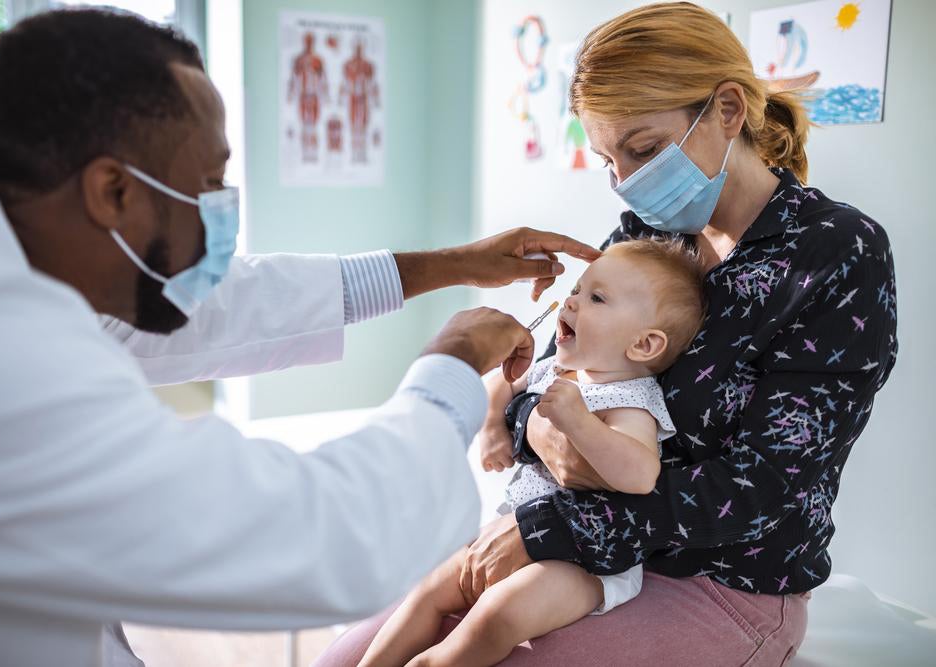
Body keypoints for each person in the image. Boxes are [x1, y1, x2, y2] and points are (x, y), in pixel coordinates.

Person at [0, 9, 602, 667]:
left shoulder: (5, 265)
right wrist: (452, 365)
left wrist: (456, 265)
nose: (221, 214)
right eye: (208, 184)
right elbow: (327, 535)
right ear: (112, 191)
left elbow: (229, 303)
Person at [315, 3, 898, 665]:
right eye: (608, 158)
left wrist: (552, 523)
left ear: (728, 111)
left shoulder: (837, 254)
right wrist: (533, 417)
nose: (625, 182)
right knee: (347, 656)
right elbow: (543, 372)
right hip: (567, 543)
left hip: (720, 577)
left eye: (643, 150)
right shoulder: (641, 238)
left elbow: (770, 488)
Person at [358, 240, 705, 666]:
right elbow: (501, 384)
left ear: (644, 345)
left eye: (596, 298)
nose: (573, 302)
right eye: (578, 289)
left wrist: (579, 422)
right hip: (515, 523)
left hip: (583, 562)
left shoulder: (632, 401)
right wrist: (491, 427)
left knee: (495, 615)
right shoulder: (556, 369)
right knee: (428, 589)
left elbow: (639, 474)